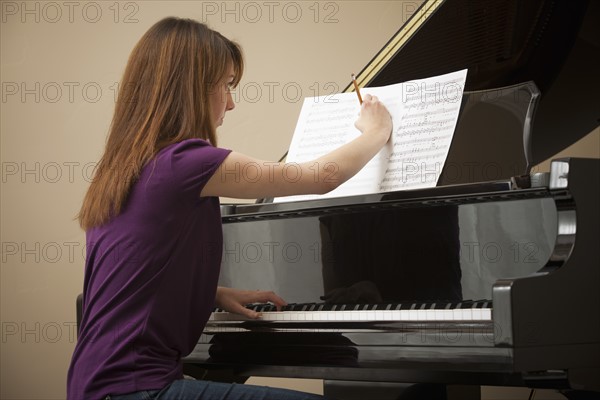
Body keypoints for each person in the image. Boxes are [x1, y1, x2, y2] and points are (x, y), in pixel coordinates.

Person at [67, 16, 392, 400]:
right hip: (137, 391)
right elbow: (320, 177)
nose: (232, 102)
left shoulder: (124, 168)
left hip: (95, 384)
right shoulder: (187, 162)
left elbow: (132, 272)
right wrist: (376, 130)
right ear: (191, 88)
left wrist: (213, 293)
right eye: (226, 85)